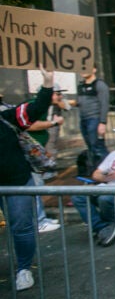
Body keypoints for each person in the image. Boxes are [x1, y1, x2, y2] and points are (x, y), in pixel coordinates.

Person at [0, 67, 54, 291]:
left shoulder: (6, 115)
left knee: (21, 227)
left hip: (17, 181)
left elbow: (36, 108)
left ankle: (23, 269)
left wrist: (48, 83)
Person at [72, 128, 115, 247]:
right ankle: (102, 227)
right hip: (108, 187)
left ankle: (108, 226)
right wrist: (106, 178)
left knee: (104, 198)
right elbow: (96, 174)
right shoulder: (114, 154)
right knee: (78, 197)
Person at [26, 83, 69, 232]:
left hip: (35, 152)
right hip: (28, 155)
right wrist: (53, 122)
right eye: (57, 94)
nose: (60, 97)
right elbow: (29, 125)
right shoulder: (34, 106)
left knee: (37, 185)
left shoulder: (43, 106)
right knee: (34, 186)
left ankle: (40, 218)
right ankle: (38, 221)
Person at [75, 66, 110, 167]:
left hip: (95, 119)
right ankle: (96, 171)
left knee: (98, 147)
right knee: (90, 147)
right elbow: (79, 102)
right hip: (83, 120)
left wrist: (102, 122)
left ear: (94, 69)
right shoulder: (80, 86)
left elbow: (104, 104)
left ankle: (107, 169)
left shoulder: (100, 84)